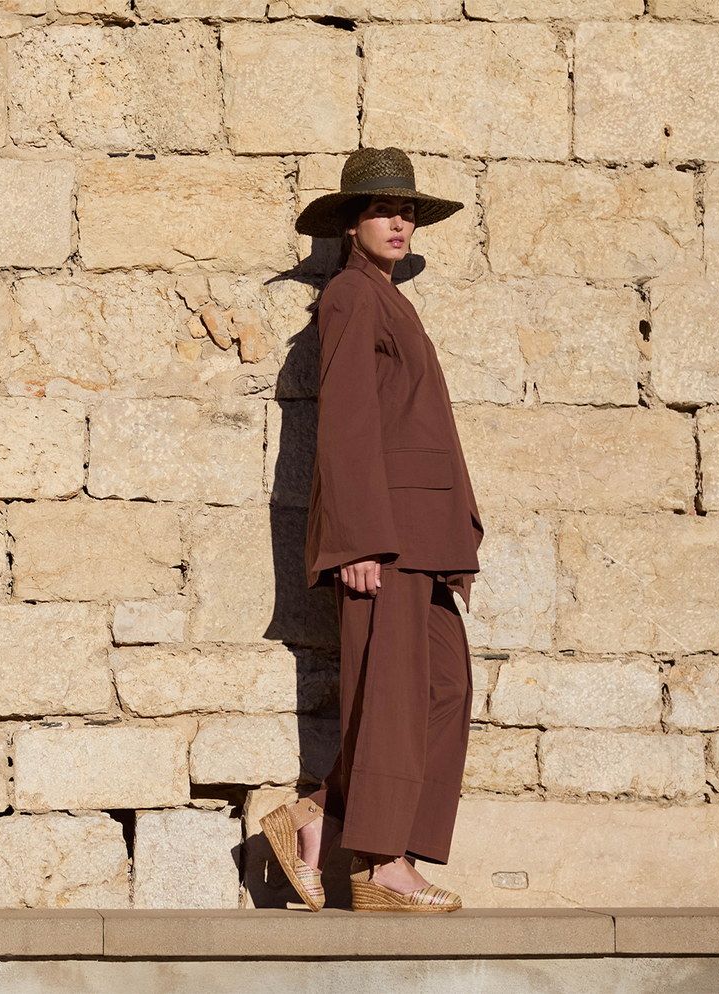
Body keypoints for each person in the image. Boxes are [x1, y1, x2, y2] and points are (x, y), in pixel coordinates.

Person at [260, 147, 484, 913]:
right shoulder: (352, 296)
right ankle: (383, 864)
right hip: (384, 535)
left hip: (425, 533)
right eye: (383, 210)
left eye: (407, 210)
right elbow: (347, 422)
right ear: (350, 224)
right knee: (388, 696)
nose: (398, 221)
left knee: (444, 688)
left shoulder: (389, 299)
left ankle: (319, 818)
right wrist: (355, 538)